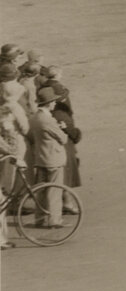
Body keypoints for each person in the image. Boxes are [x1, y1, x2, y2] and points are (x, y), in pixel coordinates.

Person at [29, 86, 69, 227]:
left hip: (40, 158)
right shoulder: (48, 120)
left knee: (40, 190)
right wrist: (62, 128)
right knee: (54, 190)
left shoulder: (34, 118)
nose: (54, 104)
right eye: (53, 102)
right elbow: (63, 139)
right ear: (48, 103)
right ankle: (54, 220)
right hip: (53, 159)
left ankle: (39, 219)